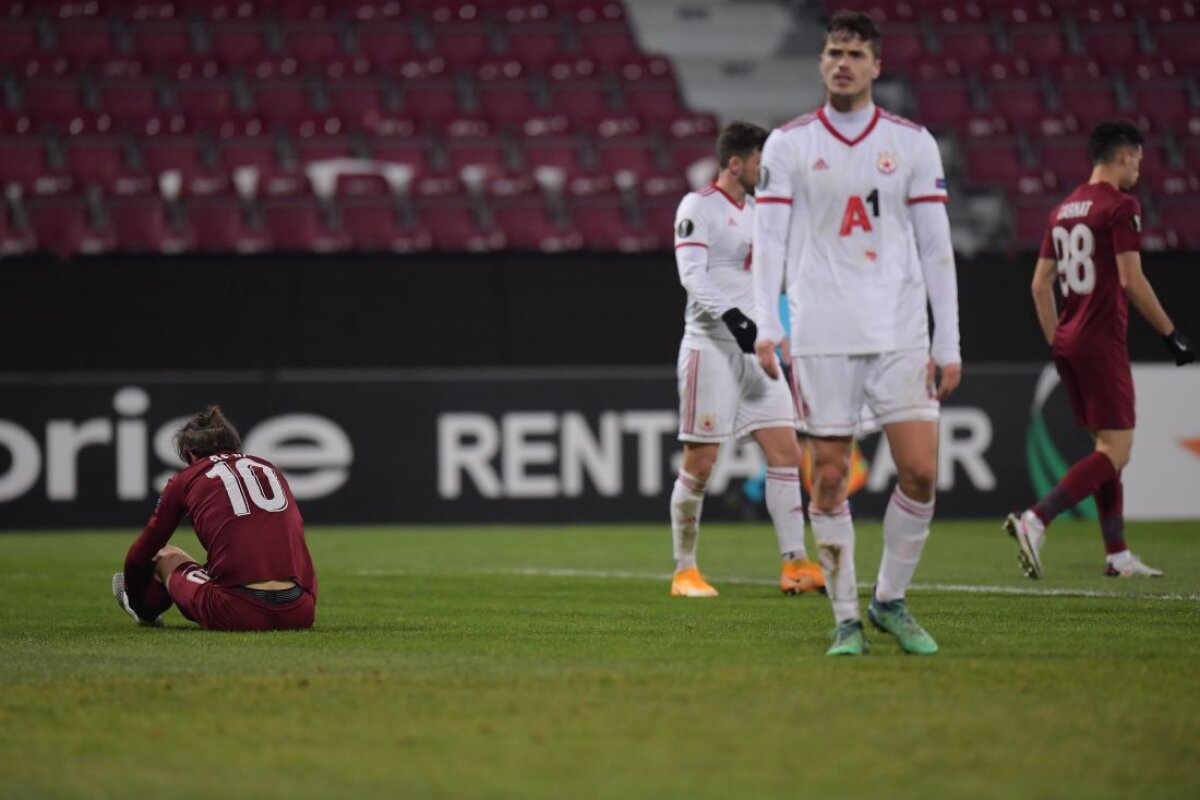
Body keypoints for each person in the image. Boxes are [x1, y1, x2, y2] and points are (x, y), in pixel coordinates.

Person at [752, 10, 961, 656]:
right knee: (830, 476)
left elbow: (936, 247)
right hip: (819, 330)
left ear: (876, 65)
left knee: (921, 471)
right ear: (821, 63)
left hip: (899, 328)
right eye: (833, 52)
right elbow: (768, 240)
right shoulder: (789, 144)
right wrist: (767, 323)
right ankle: (845, 619)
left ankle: (889, 600)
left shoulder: (914, 143)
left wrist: (947, 338)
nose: (842, 63)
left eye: (854, 54)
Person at [1004, 121, 1195, 579]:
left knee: (1105, 447)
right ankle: (1036, 519)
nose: (1139, 171)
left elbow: (1039, 285)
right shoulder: (1120, 206)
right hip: (1100, 340)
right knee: (1118, 449)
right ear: (1125, 156)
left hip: (1069, 341)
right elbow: (1131, 280)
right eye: (1138, 161)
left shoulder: (1062, 210)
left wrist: (1057, 339)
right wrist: (1172, 333)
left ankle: (1117, 555)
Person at [670, 120, 824, 598]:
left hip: (757, 351)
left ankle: (795, 564)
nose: (766, 168)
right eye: (760, 160)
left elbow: (774, 276)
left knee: (786, 453)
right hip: (712, 349)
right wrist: (737, 321)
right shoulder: (698, 206)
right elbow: (692, 276)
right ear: (736, 163)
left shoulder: (761, 212)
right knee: (701, 463)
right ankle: (684, 570)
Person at [111, 405, 318, 631]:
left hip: (235, 612)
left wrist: (134, 595)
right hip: (300, 611)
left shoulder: (185, 479)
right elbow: (299, 545)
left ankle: (144, 613)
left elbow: (142, 553)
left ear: (191, 454)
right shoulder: (269, 468)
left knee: (166, 555)